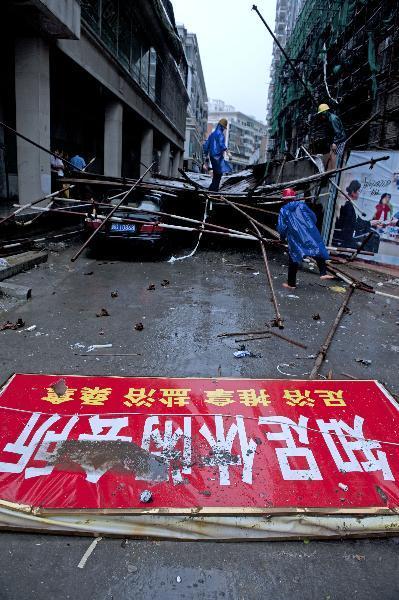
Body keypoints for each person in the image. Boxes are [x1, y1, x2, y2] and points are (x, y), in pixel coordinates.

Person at [277, 188, 334, 289]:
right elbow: (313, 217)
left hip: (294, 237)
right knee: (316, 249)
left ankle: (291, 284)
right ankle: (323, 273)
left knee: (293, 259)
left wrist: (282, 238)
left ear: (284, 199)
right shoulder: (302, 205)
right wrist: (309, 227)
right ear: (294, 197)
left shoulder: (283, 209)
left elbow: (282, 227)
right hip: (307, 234)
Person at [338, 180, 381, 248]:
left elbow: (358, 221)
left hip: (349, 238)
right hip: (346, 240)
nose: (359, 193)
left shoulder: (351, 205)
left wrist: (371, 222)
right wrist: (370, 223)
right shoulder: (348, 206)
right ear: (353, 192)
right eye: (358, 191)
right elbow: (353, 225)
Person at [202, 118, 232, 191]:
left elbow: (206, 145)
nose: (224, 129)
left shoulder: (212, 134)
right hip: (218, 157)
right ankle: (213, 191)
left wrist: (206, 157)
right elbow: (222, 144)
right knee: (218, 175)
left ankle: (212, 190)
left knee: (216, 175)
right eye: (224, 128)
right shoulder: (220, 134)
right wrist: (228, 153)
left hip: (212, 157)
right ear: (222, 127)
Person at [314, 104, 347, 168]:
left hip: (340, 140)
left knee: (336, 155)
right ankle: (332, 171)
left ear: (324, 112)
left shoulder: (333, 119)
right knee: (331, 155)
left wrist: (335, 142)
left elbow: (338, 133)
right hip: (335, 140)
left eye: (321, 114)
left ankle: (336, 170)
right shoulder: (328, 119)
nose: (321, 116)